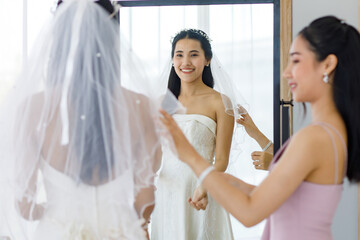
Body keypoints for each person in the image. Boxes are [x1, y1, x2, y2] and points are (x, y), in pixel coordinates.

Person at [159, 15, 360, 239]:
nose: (286, 72)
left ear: (328, 65)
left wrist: (189, 156)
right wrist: (217, 181)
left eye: (295, 60)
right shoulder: (329, 133)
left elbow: (250, 212)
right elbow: (278, 200)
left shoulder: (315, 137)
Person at [0, 0, 180, 239]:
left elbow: (25, 206)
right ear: (110, 40)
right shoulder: (140, 106)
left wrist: (56, 211)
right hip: (119, 231)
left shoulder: (33, 109)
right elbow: (146, 200)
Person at [151, 29, 235, 240]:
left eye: (194, 54)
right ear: (172, 60)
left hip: (203, 189)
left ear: (207, 59)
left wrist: (204, 186)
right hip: (168, 190)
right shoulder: (163, 102)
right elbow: (155, 154)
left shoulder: (220, 102)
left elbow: (222, 159)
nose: (185, 61)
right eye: (179, 54)